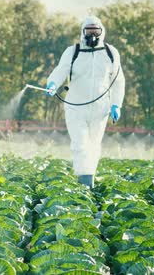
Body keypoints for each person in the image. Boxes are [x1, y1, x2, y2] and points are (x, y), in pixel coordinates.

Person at [45, 16, 125, 188]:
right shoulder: (73, 51)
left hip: (100, 108)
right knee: (80, 144)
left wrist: (116, 105)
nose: (93, 35)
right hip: (76, 107)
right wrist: (52, 84)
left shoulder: (110, 53)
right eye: (89, 31)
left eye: (96, 31)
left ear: (102, 32)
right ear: (83, 32)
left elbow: (118, 81)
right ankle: (84, 181)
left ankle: (90, 177)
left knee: (94, 145)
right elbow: (61, 70)